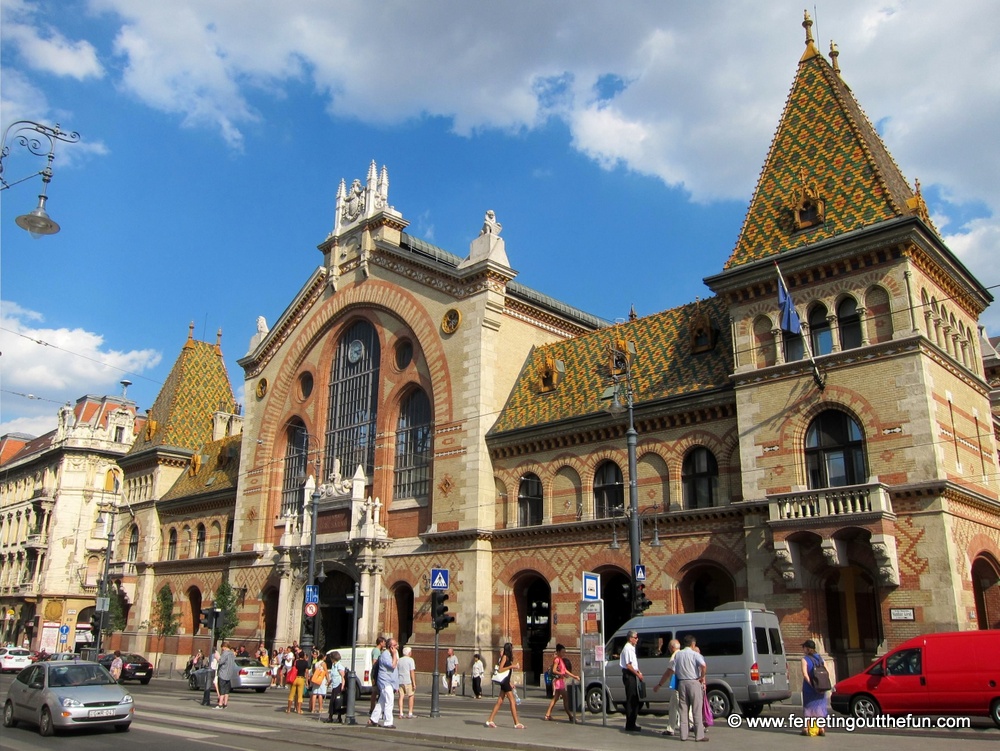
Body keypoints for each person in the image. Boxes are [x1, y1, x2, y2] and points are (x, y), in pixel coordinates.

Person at [667, 634, 708, 742]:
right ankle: (699, 735)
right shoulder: (695, 654)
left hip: (682, 683)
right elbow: (703, 666)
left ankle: (683, 735)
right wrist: (702, 677)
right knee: (696, 709)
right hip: (694, 682)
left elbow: (673, 669)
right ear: (693, 644)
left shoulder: (678, 655)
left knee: (683, 709)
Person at [485, 642, 523, 729]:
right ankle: (516, 723)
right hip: (504, 682)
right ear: (509, 649)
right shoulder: (505, 657)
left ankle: (490, 720)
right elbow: (500, 669)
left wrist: (510, 683)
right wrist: (512, 666)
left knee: (500, 702)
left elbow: (506, 674)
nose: (512, 649)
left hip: (506, 682)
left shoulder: (508, 658)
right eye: (511, 648)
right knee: (512, 701)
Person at [653, 638, 682, 736]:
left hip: (676, 683)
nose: (669, 650)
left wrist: (659, 685)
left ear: (672, 648)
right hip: (680, 683)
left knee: (679, 706)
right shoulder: (682, 654)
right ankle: (670, 728)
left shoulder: (674, 656)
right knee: (673, 706)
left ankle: (690, 726)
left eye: (669, 648)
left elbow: (668, 673)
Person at [543, 643, 579, 722]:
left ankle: (547, 715)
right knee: (565, 699)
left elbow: (565, 670)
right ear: (558, 652)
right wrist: (562, 674)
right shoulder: (557, 660)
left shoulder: (561, 660)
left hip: (561, 681)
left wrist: (574, 676)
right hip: (559, 682)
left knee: (555, 699)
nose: (564, 653)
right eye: (562, 652)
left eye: (564, 652)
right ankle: (570, 716)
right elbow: (554, 670)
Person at [368, 637, 399, 728]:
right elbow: (392, 666)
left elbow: (395, 671)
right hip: (385, 682)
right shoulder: (385, 655)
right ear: (390, 647)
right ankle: (388, 722)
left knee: (382, 701)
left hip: (390, 682)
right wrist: (394, 655)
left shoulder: (393, 654)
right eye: (395, 645)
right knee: (389, 701)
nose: (397, 646)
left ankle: (373, 719)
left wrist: (396, 685)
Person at [801, 639, 828, 736]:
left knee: (808, 707)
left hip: (809, 688)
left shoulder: (805, 659)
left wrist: (812, 685)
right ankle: (821, 728)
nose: (803, 649)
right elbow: (826, 671)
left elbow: (805, 674)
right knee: (820, 707)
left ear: (807, 649)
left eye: (804, 647)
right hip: (821, 686)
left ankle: (806, 728)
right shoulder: (821, 658)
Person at [619, 630, 643, 732]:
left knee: (635, 700)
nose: (637, 639)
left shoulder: (631, 648)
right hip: (629, 675)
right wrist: (637, 674)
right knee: (631, 700)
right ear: (630, 638)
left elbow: (633, 664)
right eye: (635, 637)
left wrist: (638, 671)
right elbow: (628, 665)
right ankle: (630, 724)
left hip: (633, 674)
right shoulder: (628, 648)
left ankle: (632, 721)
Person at [325, 651, 347, 723]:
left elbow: (343, 676)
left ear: (333, 658)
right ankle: (331, 716)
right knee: (333, 701)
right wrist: (329, 682)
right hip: (334, 685)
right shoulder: (333, 665)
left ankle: (338, 717)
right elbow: (333, 676)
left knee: (338, 702)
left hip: (339, 685)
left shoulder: (339, 665)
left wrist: (343, 686)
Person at [286, 648, 309, 714]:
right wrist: (307, 681)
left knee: (291, 694)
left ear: (299, 656)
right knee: (300, 695)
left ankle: (289, 709)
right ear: (304, 656)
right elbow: (306, 672)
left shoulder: (296, 661)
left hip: (294, 678)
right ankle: (299, 710)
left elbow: (293, 669)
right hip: (301, 679)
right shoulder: (305, 663)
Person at [397, 645, 417, 718]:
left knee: (401, 697)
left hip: (400, 681)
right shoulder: (410, 660)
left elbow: (397, 670)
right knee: (411, 696)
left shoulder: (399, 660)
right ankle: (410, 713)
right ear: (409, 653)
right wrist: (414, 683)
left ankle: (401, 713)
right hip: (408, 681)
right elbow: (412, 672)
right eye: (411, 652)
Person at [216, 643, 237, 709]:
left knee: (221, 689)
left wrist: (217, 657)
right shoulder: (232, 654)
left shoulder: (225, 653)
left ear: (224, 647)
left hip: (223, 673)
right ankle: (225, 704)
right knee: (226, 690)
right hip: (229, 674)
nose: (222, 649)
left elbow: (220, 661)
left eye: (222, 648)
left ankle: (220, 704)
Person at [368, 636, 386, 712]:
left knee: (375, 691)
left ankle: (373, 708)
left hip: (376, 672)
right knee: (375, 691)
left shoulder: (379, 650)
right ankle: (372, 708)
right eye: (384, 642)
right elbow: (374, 662)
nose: (385, 643)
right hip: (376, 673)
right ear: (380, 643)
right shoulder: (376, 651)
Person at [309, 648, 328, 714]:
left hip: (315, 679)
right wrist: (328, 680)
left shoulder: (316, 663)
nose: (326, 657)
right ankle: (320, 708)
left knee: (314, 693)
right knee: (320, 694)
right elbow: (326, 672)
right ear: (323, 657)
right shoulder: (323, 663)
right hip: (321, 680)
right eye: (325, 656)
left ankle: (313, 709)